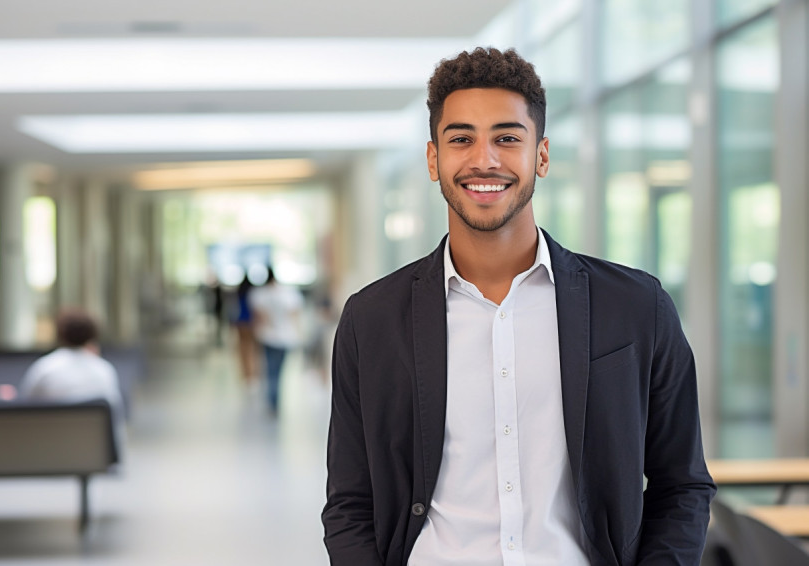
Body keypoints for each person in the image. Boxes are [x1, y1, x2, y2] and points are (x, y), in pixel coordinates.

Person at [322, 47, 715, 566]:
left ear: (542, 155)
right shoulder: (371, 320)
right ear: (433, 158)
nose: (485, 159)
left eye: (507, 138)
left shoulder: (637, 307)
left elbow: (682, 485)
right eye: (461, 139)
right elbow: (350, 503)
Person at [20, 308, 126, 454]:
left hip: (49, 450)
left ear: (60, 334)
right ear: (92, 335)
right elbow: (116, 412)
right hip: (95, 453)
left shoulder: (45, 368)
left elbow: (26, 404)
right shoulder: (104, 369)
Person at [248, 267, 303, 414]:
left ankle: (272, 401)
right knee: (279, 371)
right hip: (285, 338)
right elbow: (295, 315)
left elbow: (259, 317)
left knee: (270, 370)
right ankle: (275, 401)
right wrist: (297, 334)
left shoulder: (260, 295)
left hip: (267, 337)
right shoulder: (289, 294)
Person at [233, 275, 259, 383]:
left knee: (243, 348)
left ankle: (246, 373)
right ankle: (252, 373)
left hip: (240, 322)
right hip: (250, 322)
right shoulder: (253, 293)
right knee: (253, 349)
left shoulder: (239, 293)